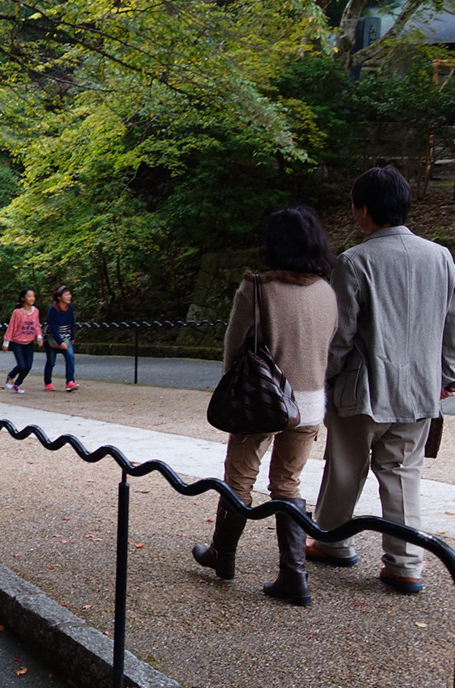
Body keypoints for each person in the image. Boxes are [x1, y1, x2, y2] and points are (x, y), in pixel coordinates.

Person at [309, 166, 455, 595]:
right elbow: (452, 326)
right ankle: (406, 563)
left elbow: (341, 335)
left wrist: (325, 382)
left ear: (364, 210)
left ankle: (333, 543)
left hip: (364, 389)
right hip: (421, 390)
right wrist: (448, 376)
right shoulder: (441, 257)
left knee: (345, 470)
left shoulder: (355, 261)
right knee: (403, 475)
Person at [191, 207, 338, 607]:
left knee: (239, 478)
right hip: (309, 406)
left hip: (263, 401)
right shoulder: (327, 292)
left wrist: (229, 394)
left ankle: (223, 556)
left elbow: (234, 347)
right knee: (287, 484)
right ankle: (294, 576)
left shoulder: (257, 289)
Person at [2, 289, 42, 393]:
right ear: (23, 298)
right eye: (29, 296)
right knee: (21, 365)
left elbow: (37, 325)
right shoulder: (17, 312)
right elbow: (11, 327)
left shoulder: (36, 311)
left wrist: (39, 336)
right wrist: (6, 342)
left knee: (28, 366)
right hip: (17, 343)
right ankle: (10, 376)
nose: (32, 298)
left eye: (33, 296)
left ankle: (17, 384)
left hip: (29, 343)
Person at [43, 286, 78, 392]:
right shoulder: (53, 309)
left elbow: (71, 322)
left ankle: (70, 382)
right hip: (51, 339)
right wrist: (60, 342)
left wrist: (72, 337)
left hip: (65, 337)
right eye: (66, 294)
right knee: (51, 361)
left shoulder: (70, 308)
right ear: (59, 297)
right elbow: (53, 327)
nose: (69, 296)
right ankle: (48, 382)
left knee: (70, 357)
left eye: (69, 294)